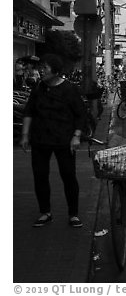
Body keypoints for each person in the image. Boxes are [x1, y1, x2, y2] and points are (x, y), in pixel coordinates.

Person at [20, 54, 87, 228]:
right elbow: (29, 112)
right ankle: (45, 212)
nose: (41, 71)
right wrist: (25, 135)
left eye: (45, 68)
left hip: (64, 140)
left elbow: (80, 114)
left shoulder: (69, 89)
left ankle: (73, 214)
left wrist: (76, 136)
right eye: (40, 68)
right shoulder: (38, 88)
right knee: (40, 175)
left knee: (68, 175)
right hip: (40, 139)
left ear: (56, 71)